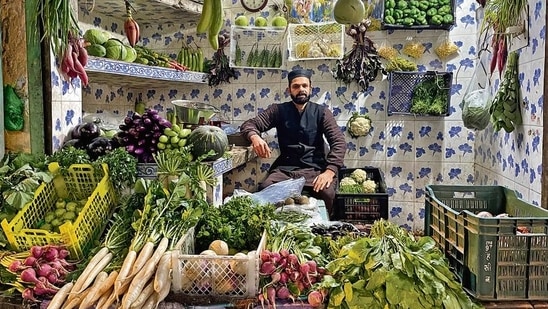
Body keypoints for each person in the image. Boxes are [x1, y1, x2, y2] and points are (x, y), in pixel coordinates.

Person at [240, 69, 346, 218]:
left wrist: (329, 171)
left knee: (327, 192)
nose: (301, 89)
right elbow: (249, 124)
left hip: (314, 169)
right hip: (285, 170)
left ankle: (325, 229)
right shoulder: (278, 110)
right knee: (265, 189)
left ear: (310, 88)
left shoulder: (322, 113)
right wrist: (255, 137)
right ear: (289, 89)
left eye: (304, 86)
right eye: (296, 86)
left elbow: (339, 142)